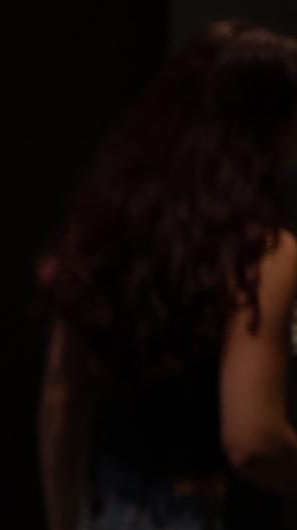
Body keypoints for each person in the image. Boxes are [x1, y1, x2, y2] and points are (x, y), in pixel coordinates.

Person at [39, 20, 297, 530]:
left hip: (111, 508)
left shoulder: (104, 228)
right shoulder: (261, 251)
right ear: (266, 131)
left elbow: (60, 398)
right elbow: (251, 440)